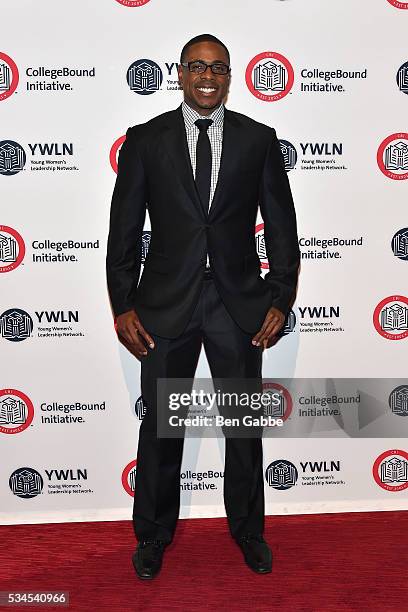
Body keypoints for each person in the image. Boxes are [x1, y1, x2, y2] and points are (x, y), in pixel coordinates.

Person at [106, 33, 300, 580]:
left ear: (231, 75)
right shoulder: (145, 140)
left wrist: (280, 297)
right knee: (163, 427)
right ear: (181, 73)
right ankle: (152, 536)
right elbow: (123, 231)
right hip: (166, 307)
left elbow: (282, 228)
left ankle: (248, 530)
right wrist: (123, 305)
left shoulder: (258, 140)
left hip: (237, 305)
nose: (207, 76)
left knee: (242, 427)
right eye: (196, 66)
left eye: (217, 67)